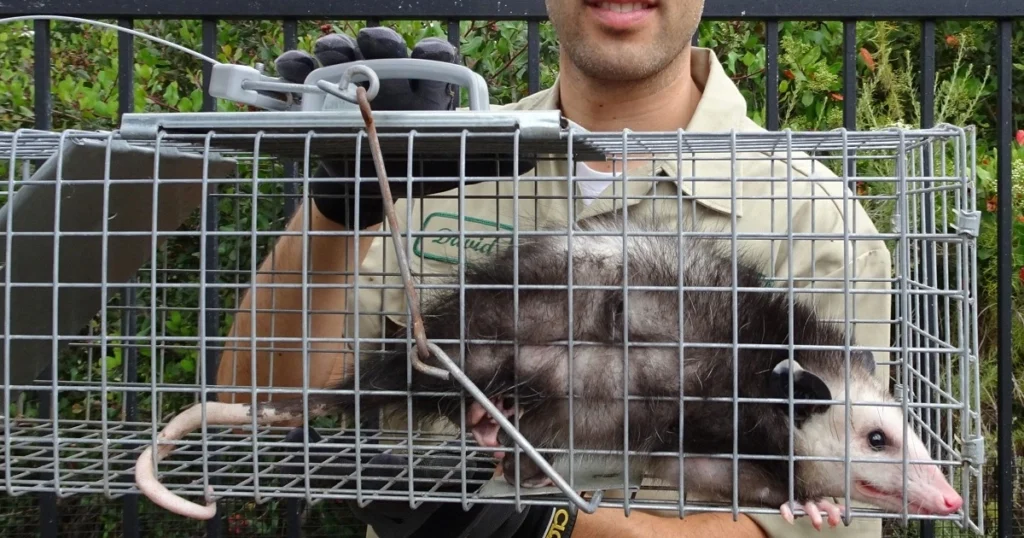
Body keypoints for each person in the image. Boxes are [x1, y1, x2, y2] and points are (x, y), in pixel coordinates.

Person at [215, 1, 893, 537]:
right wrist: (339, 205)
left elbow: (828, 518)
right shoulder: (440, 159)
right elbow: (256, 410)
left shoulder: (814, 218)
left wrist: (538, 524)